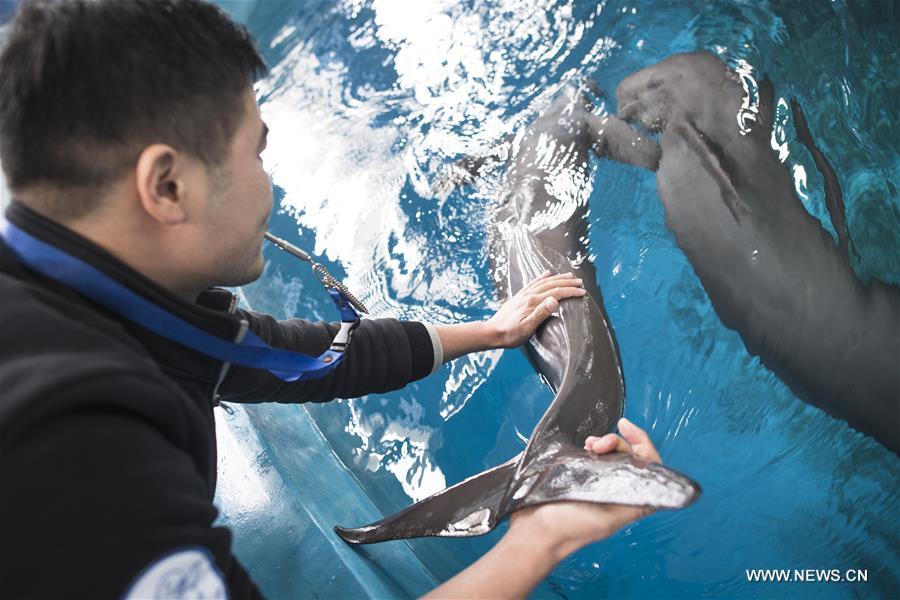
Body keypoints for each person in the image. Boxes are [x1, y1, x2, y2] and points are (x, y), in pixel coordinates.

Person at [0, 1, 665, 598]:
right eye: (257, 155)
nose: (266, 185)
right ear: (167, 187)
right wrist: (542, 538)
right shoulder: (80, 454)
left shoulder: (101, 294)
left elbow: (297, 357)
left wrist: (486, 332)